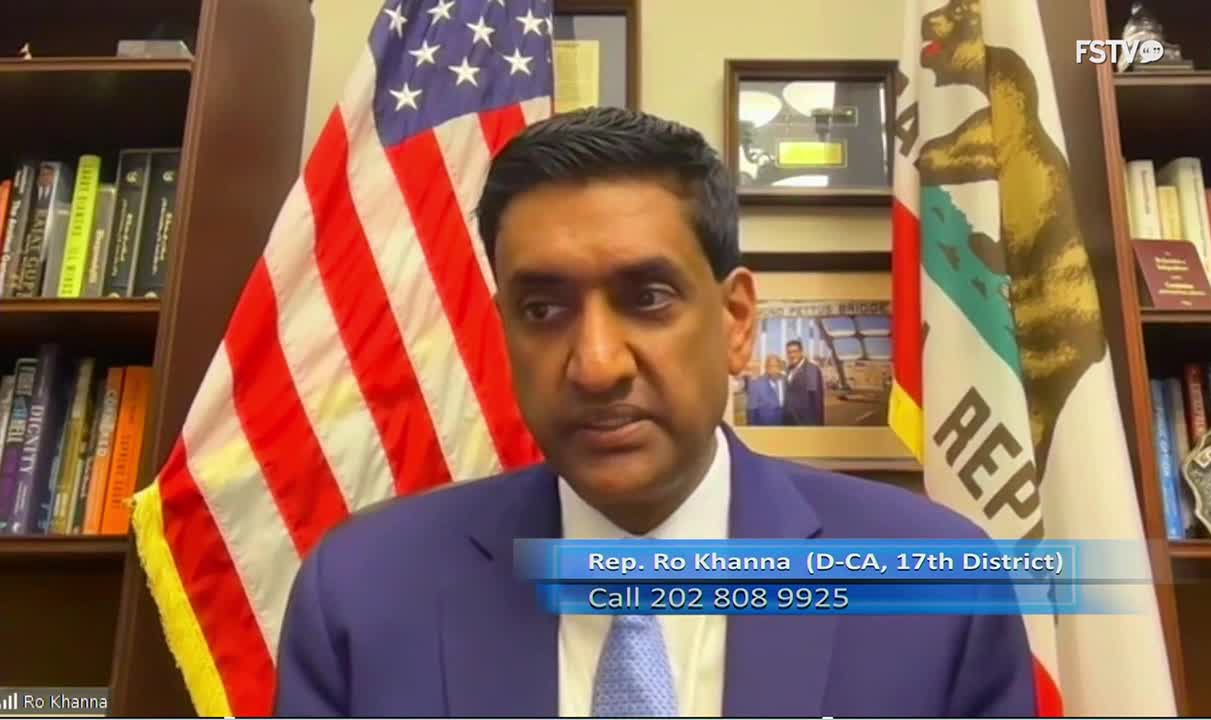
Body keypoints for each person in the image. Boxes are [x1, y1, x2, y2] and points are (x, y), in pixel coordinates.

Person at [272, 107, 1037, 717]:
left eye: (648, 298)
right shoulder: (362, 594)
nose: (597, 364)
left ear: (737, 322)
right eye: (542, 308)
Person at [783, 340, 825, 426]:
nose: (792, 355)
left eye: (795, 351)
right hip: (789, 421)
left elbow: (816, 399)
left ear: (801, 352)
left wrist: (819, 425)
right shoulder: (788, 369)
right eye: (789, 352)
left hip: (805, 422)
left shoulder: (811, 369)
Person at [745, 354, 786, 426]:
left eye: (776, 366)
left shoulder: (785, 381)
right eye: (770, 366)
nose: (773, 369)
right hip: (765, 428)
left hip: (784, 427)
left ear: (780, 367)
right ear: (766, 367)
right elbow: (751, 411)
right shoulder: (755, 384)